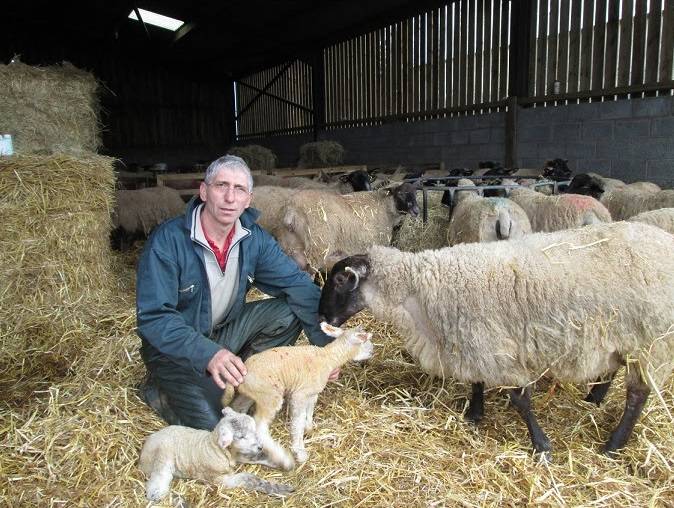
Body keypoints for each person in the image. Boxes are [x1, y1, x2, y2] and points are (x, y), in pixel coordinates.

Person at [136, 154, 334, 430]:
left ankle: (243, 378)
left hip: (224, 333)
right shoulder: (168, 241)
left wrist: (327, 348)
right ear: (204, 191)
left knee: (289, 311)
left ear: (248, 199)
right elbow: (155, 318)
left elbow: (299, 285)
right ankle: (160, 389)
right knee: (220, 425)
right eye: (221, 186)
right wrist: (208, 354)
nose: (230, 197)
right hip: (175, 350)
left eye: (239, 189)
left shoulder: (254, 240)